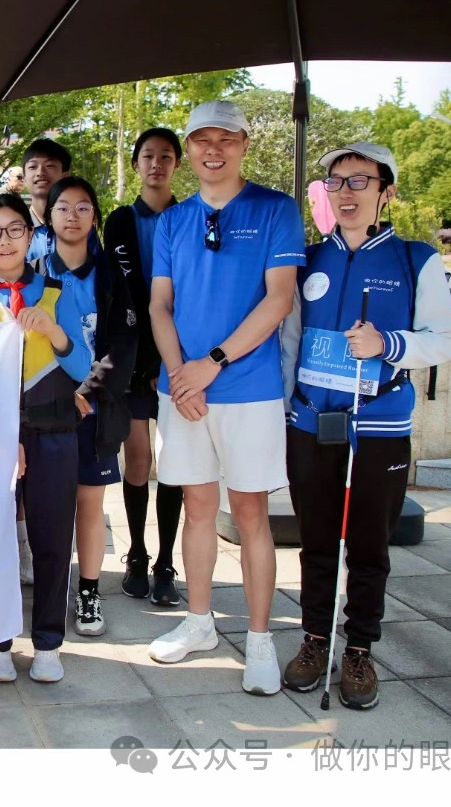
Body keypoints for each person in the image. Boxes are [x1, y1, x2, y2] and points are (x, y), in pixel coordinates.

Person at [280, 143, 451, 710]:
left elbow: (447, 338)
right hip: (312, 423)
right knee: (315, 540)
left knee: (367, 543)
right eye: (337, 182)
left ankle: (358, 645)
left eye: (361, 181)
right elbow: (290, 341)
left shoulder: (415, 259)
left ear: (386, 191)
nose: (347, 192)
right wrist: (287, 408)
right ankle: (315, 638)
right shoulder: (307, 259)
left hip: (379, 426)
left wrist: (388, 344)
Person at [146, 101, 305, 695]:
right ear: (188, 149)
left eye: (227, 139)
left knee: (251, 514)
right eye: (201, 140)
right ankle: (198, 622)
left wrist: (209, 365)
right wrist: (179, 374)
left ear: (243, 143)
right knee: (197, 508)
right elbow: (161, 305)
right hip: (183, 390)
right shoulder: (173, 220)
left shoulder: (275, 209)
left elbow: (278, 299)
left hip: (247, 389)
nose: (214, 149)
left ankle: (260, 640)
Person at [0, 192, 92, 685]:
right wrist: (2, 435)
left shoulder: (58, 292)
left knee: (53, 540)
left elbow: (80, 367)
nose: (5, 240)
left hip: (55, 433)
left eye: (16, 229)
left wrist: (54, 331)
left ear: (30, 236)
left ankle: (49, 643)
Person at [37, 175, 137, 638]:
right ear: (47, 215)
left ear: (94, 214)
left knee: (91, 504)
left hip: (97, 410)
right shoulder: (36, 272)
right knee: (48, 505)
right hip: (46, 412)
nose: (72, 216)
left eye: (82, 207)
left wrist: (87, 392)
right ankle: (49, 589)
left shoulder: (113, 276)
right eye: (63, 208)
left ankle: (90, 591)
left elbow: (122, 344)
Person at [103, 126, 185, 606]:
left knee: (174, 464)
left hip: (180, 362)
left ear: (177, 163)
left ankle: (166, 561)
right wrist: (145, 362)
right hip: (136, 364)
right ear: (136, 164)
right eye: (148, 156)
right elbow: (126, 294)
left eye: (166, 156)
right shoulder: (118, 222)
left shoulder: (194, 217)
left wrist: (170, 361)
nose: (157, 164)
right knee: (138, 461)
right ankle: (135, 552)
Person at [21, 137, 73, 260]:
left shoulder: (78, 225)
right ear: (24, 178)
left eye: (49, 166)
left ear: (65, 176)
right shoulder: (15, 229)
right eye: (33, 167)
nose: (40, 172)